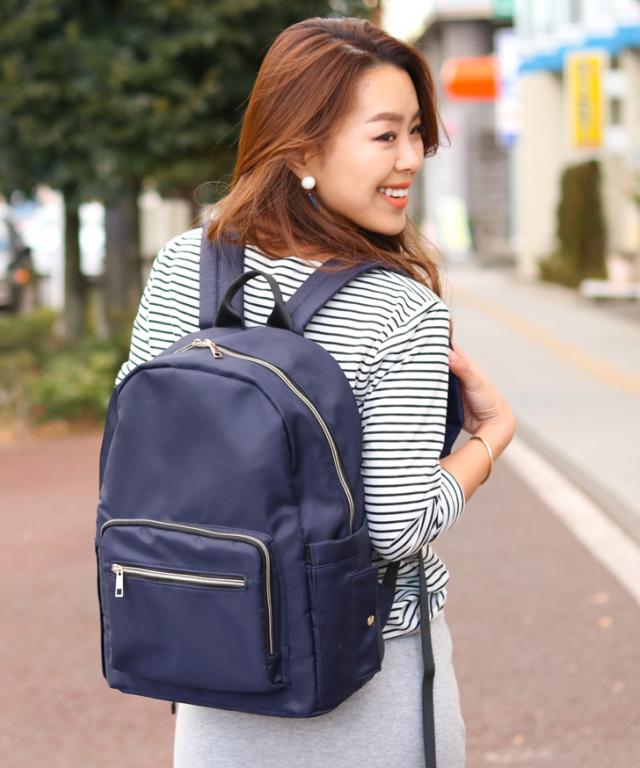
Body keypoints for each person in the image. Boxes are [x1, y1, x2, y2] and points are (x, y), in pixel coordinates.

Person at [115, 16, 516, 768]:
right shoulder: (401, 307)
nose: (411, 158)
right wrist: (491, 438)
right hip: (364, 673)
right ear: (301, 148)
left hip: (209, 655)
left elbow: (136, 457)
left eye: (416, 133)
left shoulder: (184, 263)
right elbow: (396, 529)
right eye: (385, 135)